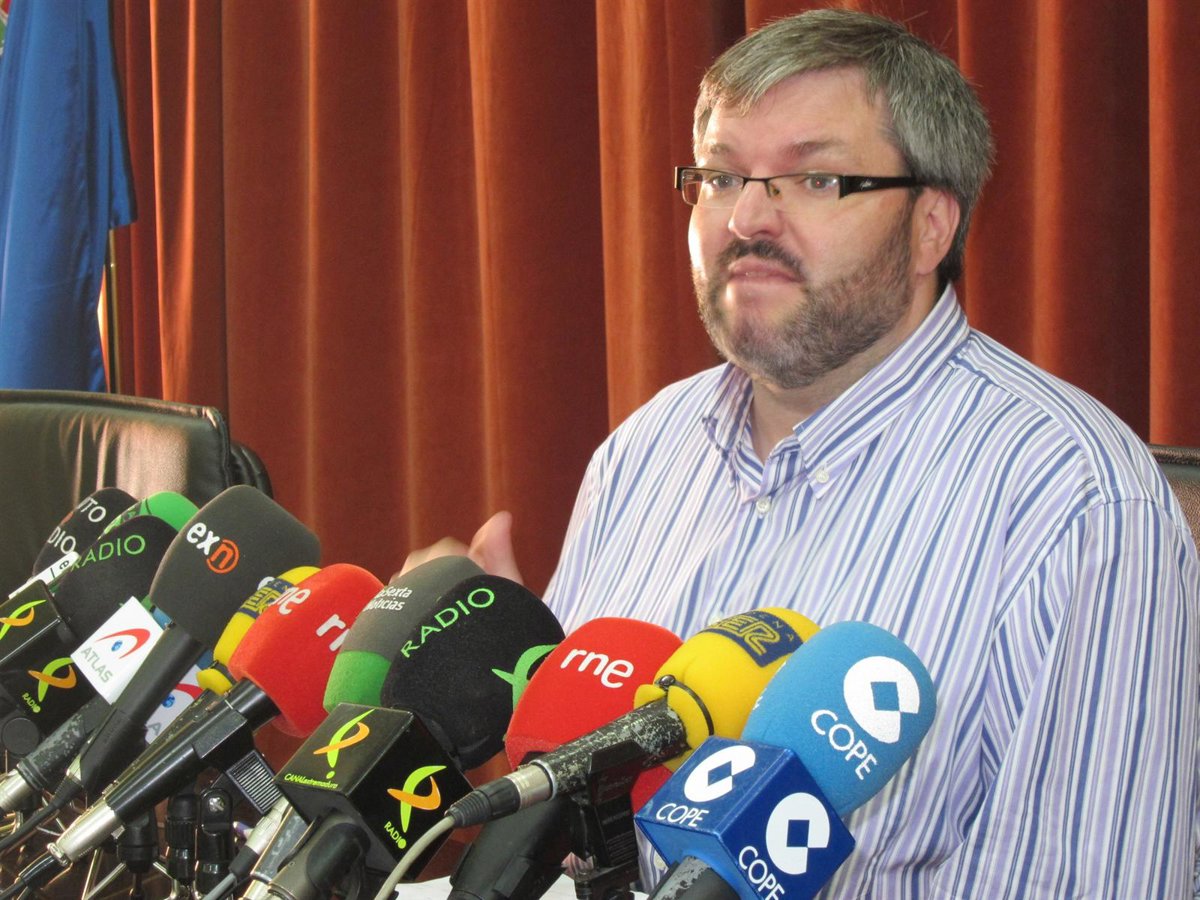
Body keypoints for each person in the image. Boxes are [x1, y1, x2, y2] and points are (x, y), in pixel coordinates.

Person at [404, 9, 1199, 897]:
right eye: (720, 175)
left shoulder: (1080, 502)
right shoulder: (644, 451)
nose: (746, 217)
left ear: (931, 226)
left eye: (814, 178)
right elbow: (585, 825)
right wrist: (516, 677)